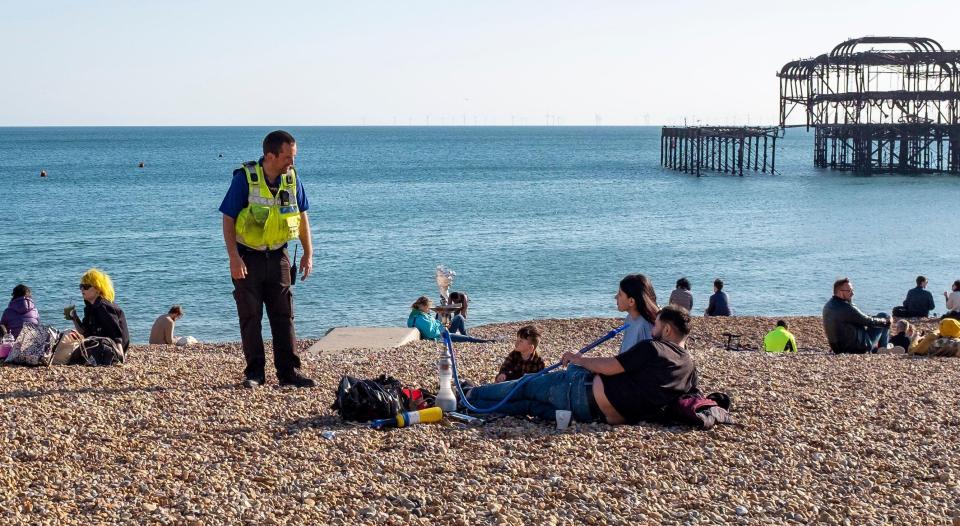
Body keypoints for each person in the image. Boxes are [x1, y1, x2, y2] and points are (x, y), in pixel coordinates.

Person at [466, 306, 700, 425]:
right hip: (595, 417)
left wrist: (580, 359)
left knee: (526, 385)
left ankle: (469, 395)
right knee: (529, 405)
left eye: (656, 326)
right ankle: (473, 404)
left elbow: (612, 366)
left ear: (667, 329)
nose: (652, 330)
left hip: (581, 392)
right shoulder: (689, 367)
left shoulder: (654, 348)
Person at [219, 130, 315, 389]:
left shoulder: (292, 179)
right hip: (247, 257)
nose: (291, 163)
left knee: (284, 316)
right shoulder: (245, 179)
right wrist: (234, 258)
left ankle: (289, 373)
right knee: (251, 317)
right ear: (269, 156)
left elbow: (302, 216)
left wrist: (308, 252)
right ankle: (255, 373)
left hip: (279, 256)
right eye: (287, 157)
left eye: (293, 157)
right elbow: (228, 219)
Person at [67, 269, 130, 352]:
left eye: (86, 287)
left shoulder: (104, 306)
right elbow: (84, 331)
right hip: (100, 344)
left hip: (112, 348)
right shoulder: (90, 307)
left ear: (98, 289)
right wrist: (74, 317)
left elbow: (115, 333)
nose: (82, 289)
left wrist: (120, 354)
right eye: (81, 286)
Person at [822, 278, 891, 354]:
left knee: (878, 319)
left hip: (838, 348)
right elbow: (867, 321)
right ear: (839, 292)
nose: (852, 293)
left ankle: (879, 349)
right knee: (884, 316)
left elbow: (858, 317)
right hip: (857, 348)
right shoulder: (846, 307)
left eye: (852, 290)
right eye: (849, 291)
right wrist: (886, 321)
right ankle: (883, 349)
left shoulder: (829, 305)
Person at [407, 296, 496, 343]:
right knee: (468, 339)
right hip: (442, 336)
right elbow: (431, 333)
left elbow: (434, 325)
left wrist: (442, 325)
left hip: (442, 330)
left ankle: (464, 335)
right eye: (428, 307)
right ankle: (485, 341)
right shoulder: (420, 318)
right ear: (422, 306)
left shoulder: (421, 314)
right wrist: (442, 327)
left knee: (459, 317)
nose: (429, 309)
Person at [616, 274, 659, 354]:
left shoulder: (645, 326)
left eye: (620, 294)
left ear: (631, 301)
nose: (616, 297)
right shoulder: (630, 318)